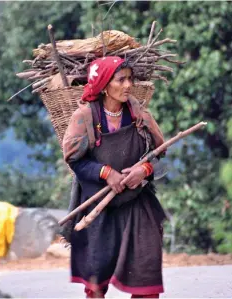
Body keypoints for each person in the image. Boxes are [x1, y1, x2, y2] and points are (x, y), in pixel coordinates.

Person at [63, 56, 166, 298]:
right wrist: (106, 173)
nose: (128, 85)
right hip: (99, 205)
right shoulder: (86, 117)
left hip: (137, 203)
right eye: (121, 79)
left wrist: (144, 170)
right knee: (97, 281)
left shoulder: (139, 114)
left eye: (130, 78)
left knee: (145, 274)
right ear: (104, 84)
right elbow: (75, 160)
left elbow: (159, 154)